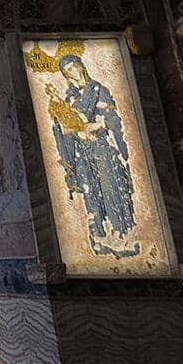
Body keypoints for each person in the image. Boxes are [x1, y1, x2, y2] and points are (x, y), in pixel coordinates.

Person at [47, 54, 139, 258]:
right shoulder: (69, 98)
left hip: (101, 148)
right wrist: (61, 119)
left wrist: (94, 126)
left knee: (110, 188)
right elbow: (64, 126)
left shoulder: (97, 90)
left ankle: (122, 235)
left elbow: (112, 119)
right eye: (67, 71)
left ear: (81, 66)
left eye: (73, 67)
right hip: (82, 152)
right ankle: (100, 237)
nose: (72, 73)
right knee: (91, 191)